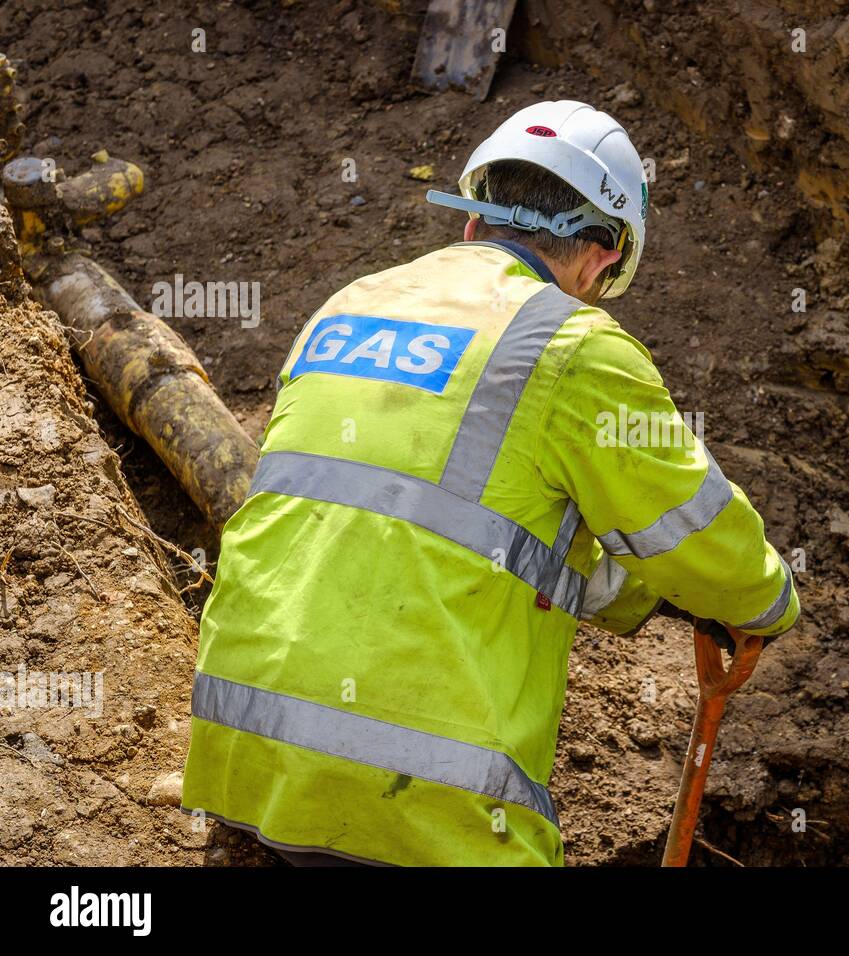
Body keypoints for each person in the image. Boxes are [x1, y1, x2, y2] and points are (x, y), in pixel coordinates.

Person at [180, 100, 799, 866]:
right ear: (603, 258)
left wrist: (644, 597)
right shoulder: (571, 346)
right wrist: (764, 606)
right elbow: (703, 541)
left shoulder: (348, 306)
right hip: (420, 799)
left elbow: (470, 527)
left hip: (244, 756)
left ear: (474, 220)